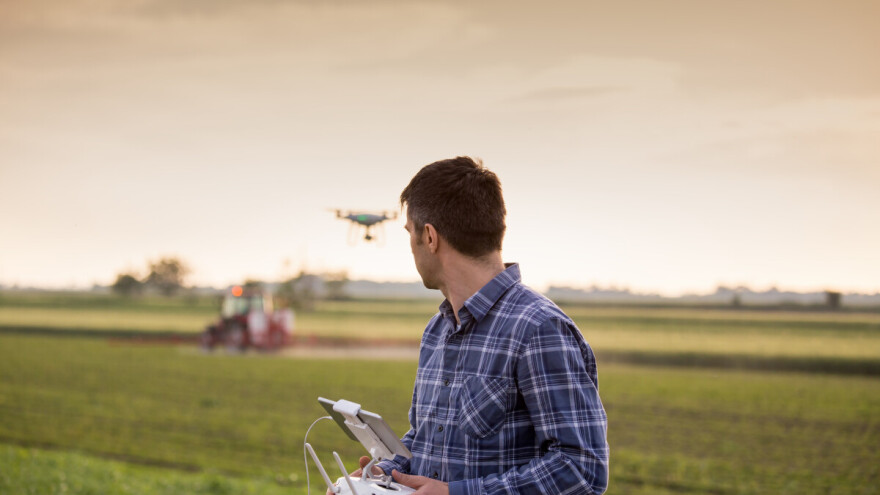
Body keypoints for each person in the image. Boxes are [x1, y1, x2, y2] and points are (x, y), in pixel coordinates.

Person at [364, 156, 609, 494]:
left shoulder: (538, 329)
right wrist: (382, 475)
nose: (411, 246)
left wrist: (457, 493)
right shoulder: (437, 331)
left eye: (411, 234)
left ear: (430, 237)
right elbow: (426, 440)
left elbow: (581, 470)